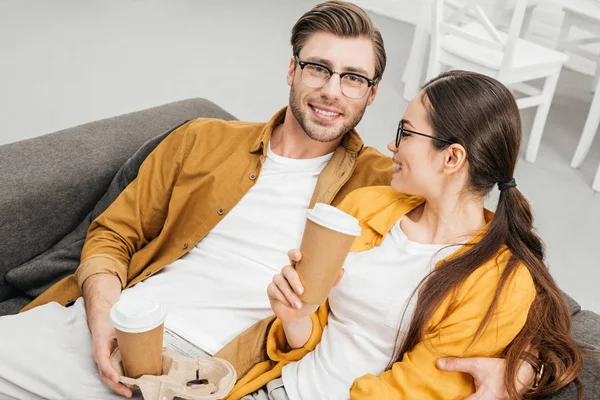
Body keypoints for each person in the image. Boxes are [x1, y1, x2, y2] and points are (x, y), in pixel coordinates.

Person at [0, 2, 538, 399]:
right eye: (318, 68)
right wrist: (101, 315)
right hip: (113, 322)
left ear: (371, 93)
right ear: (291, 69)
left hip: (204, 370)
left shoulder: (385, 186)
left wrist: (522, 371)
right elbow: (113, 233)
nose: (333, 90)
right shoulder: (202, 139)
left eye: (353, 78)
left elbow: (498, 271)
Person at [256, 70, 583, 399]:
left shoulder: (499, 282)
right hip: (277, 385)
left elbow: (412, 392)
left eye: (406, 133)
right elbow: (313, 333)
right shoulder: (367, 205)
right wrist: (296, 318)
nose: (392, 145)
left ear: (452, 157)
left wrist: (526, 364)